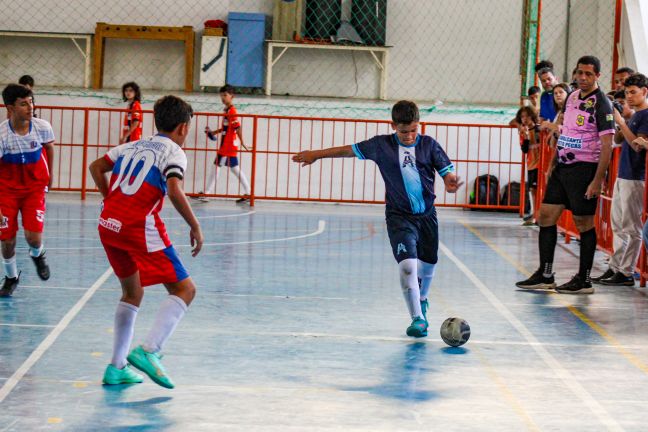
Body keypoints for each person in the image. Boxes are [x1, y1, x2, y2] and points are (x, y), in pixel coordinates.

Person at [292, 100, 462, 337]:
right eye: (404, 131)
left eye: (414, 130)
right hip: (398, 217)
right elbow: (347, 150)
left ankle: (423, 299)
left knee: (428, 263)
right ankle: (417, 319)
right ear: (393, 126)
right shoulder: (381, 146)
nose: (410, 136)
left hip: (427, 217)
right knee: (407, 267)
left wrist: (451, 182)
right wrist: (316, 155)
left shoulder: (430, 146)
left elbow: (448, 173)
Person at [89, 95, 204, 388]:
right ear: (182, 127)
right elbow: (175, 190)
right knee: (185, 289)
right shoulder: (174, 152)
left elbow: (95, 167)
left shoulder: (133, 144)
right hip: (138, 227)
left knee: (132, 293)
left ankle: (116, 368)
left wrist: (109, 199)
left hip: (108, 224)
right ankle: (149, 350)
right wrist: (195, 225)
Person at [516, 55, 615, 294]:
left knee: (584, 223)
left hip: (585, 168)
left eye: (588, 74)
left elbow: (607, 144)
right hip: (563, 166)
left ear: (597, 76)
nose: (582, 77)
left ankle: (584, 279)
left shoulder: (601, 104)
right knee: (546, 215)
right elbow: (569, 132)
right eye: (579, 73)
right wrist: (553, 162)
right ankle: (546, 273)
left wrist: (597, 179)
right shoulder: (571, 97)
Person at [592, 74, 648, 286]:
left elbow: (637, 145)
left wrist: (622, 122)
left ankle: (626, 271)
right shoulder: (633, 116)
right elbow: (618, 139)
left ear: (645, 92)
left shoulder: (645, 116)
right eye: (626, 93)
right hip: (623, 174)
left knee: (631, 227)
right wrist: (616, 120)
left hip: (636, 177)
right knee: (617, 224)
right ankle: (615, 267)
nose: (629, 96)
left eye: (633, 92)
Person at [0, 84, 54, 297]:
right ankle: (11, 278)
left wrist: (51, 177)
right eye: (23, 104)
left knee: (33, 238)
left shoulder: (42, 127)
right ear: (10, 108)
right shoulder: (2, 134)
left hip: (34, 188)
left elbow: (49, 148)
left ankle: (38, 254)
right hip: (7, 190)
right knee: (7, 240)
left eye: (31, 102)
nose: (30, 107)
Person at [199, 84, 251, 203]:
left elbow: (237, 127)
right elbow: (225, 128)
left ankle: (207, 193)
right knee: (235, 169)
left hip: (228, 146)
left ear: (232, 96)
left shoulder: (232, 111)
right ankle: (248, 193)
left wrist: (243, 142)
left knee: (216, 167)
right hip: (226, 145)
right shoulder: (226, 110)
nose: (222, 97)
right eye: (221, 95)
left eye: (225, 95)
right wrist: (214, 133)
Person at [514, 106, 540, 225]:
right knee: (532, 190)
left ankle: (540, 215)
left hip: (541, 165)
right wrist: (526, 137)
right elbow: (524, 149)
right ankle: (534, 214)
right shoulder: (523, 132)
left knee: (541, 190)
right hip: (531, 164)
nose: (525, 119)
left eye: (527, 116)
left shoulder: (539, 129)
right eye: (522, 117)